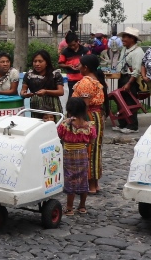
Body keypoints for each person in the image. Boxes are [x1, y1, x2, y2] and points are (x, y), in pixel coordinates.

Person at [71, 54, 106, 194]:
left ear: (85, 67)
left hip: (88, 117)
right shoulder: (96, 80)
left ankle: (90, 185)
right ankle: (95, 183)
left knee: (88, 150)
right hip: (96, 116)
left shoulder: (86, 82)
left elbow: (84, 105)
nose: (78, 67)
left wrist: (80, 122)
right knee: (95, 149)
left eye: (79, 65)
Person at [58, 97, 96, 216]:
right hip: (83, 154)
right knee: (83, 178)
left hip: (68, 154)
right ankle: (82, 206)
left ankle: (69, 208)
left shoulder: (65, 125)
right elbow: (91, 141)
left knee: (70, 179)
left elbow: (59, 135)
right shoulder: (89, 126)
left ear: (69, 111)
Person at [111, 28, 145, 134]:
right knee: (121, 102)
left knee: (130, 103)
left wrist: (129, 83)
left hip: (131, 80)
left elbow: (137, 70)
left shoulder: (138, 52)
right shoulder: (125, 49)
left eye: (125, 37)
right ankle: (123, 124)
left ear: (132, 39)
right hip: (123, 77)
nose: (122, 39)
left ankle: (133, 126)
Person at [21, 51, 64, 120]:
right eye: (35, 61)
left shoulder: (55, 74)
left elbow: (61, 92)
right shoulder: (29, 75)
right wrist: (24, 94)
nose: (37, 64)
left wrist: (46, 91)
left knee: (54, 125)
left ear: (46, 62)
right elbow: (23, 90)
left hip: (52, 105)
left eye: (40, 61)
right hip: (36, 105)